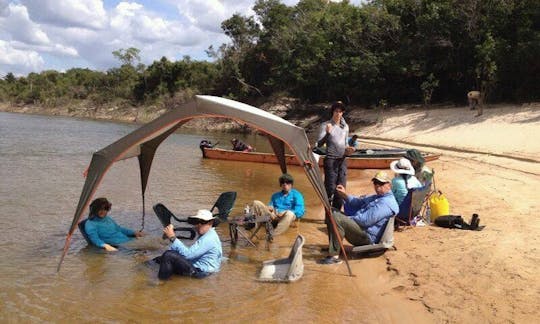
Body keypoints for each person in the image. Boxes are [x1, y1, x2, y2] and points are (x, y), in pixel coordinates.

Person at [320, 171, 399, 264]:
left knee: (337, 217)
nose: (377, 186)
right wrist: (344, 195)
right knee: (332, 211)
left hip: (368, 238)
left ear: (389, 185)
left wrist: (348, 218)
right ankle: (335, 246)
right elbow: (358, 202)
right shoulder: (378, 197)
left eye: (381, 184)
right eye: (375, 183)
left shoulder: (386, 203)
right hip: (362, 229)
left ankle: (334, 256)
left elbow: (365, 221)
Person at [156, 209, 222, 280]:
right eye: (197, 222)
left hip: (202, 273)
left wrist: (172, 237)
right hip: (198, 268)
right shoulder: (207, 234)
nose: (199, 225)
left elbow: (188, 255)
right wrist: (170, 237)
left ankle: (162, 284)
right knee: (159, 259)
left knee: (168, 255)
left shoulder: (209, 238)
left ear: (211, 223)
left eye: (202, 222)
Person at [317, 101, 355, 209]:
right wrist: (328, 133)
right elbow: (319, 144)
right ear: (332, 112)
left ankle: (336, 215)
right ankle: (328, 215)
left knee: (341, 188)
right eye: (336, 111)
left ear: (343, 113)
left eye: (340, 111)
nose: (338, 113)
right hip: (330, 160)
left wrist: (349, 149)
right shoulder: (326, 125)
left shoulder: (345, 126)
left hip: (342, 160)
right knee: (330, 189)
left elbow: (345, 143)